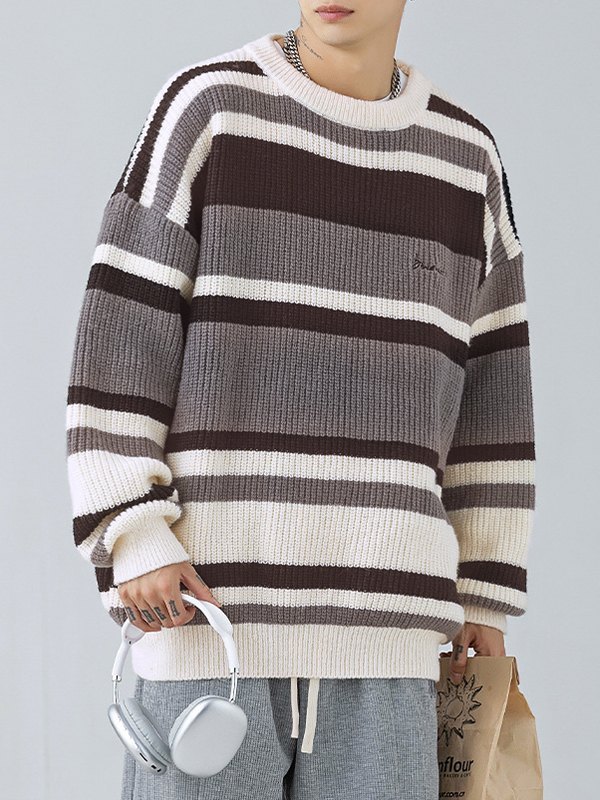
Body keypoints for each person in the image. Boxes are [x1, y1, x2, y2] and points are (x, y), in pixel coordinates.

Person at [65, 2, 536, 798]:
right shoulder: (209, 109)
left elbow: (494, 393)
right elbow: (121, 340)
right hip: (208, 621)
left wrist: (483, 594)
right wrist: (131, 529)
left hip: (389, 638)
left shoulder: (466, 159)